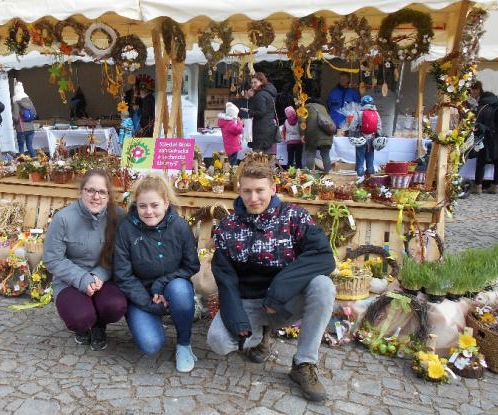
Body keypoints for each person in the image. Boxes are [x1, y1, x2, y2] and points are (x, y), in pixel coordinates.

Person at [207, 161, 336, 402]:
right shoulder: (227, 227)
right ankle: (260, 335)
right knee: (218, 342)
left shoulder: (295, 217)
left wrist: (279, 290)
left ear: (273, 189)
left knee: (323, 286)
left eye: (260, 190)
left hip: (285, 301)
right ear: (239, 190)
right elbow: (225, 278)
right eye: (247, 191)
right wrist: (237, 322)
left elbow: (323, 257)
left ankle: (303, 364)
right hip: (249, 302)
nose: (253, 197)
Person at [113, 175, 200, 372]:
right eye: (143, 206)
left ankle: (184, 344)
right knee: (151, 345)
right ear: (136, 205)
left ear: (166, 203)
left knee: (180, 290)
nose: (149, 211)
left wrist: (162, 283)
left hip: (172, 288)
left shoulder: (179, 227)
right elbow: (123, 275)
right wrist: (149, 303)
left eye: (155, 205)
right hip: (140, 294)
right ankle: (151, 321)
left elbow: (191, 265)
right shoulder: (126, 229)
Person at [43, 169, 127, 351]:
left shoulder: (118, 217)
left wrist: (99, 275)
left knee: (116, 306)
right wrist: (82, 279)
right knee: (80, 317)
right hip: (69, 281)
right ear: (81, 191)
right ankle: (83, 326)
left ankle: (99, 325)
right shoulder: (63, 219)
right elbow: (52, 259)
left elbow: (120, 256)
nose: (96, 196)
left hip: (103, 278)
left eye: (102, 192)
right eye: (90, 190)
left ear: (108, 195)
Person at [242, 72, 278, 155]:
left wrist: (249, 111)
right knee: (267, 157)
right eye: (252, 83)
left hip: (261, 132)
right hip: (268, 128)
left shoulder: (260, 95)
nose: (253, 85)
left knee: (259, 159)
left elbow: (261, 112)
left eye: (255, 82)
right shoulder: (267, 93)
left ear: (261, 82)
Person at [348, 95, 383, 178]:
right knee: (370, 159)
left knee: (360, 160)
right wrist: (378, 136)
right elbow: (379, 127)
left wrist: (352, 135)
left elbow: (352, 127)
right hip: (371, 139)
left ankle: (360, 179)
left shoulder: (359, 113)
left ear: (362, 103)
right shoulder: (376, 113)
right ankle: (370, 177)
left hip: (360, 139)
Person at [302, 98, 333, 173]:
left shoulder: (305, 109)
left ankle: (307, 175)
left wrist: (302, 134)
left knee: (310, 153)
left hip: (312, 135)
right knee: (325, 155)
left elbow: (302, 122)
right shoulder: (323, 108)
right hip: (327, 134)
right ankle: (329, 174)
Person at [11, 81, 38, 157]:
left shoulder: (16, 102)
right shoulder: (29, 101)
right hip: (31, 128)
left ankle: (22, 164)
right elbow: (35, 114)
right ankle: (35, 159)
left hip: (21, 129)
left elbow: (16, 117)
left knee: (21, 147)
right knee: (30, 146)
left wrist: (12, 116)